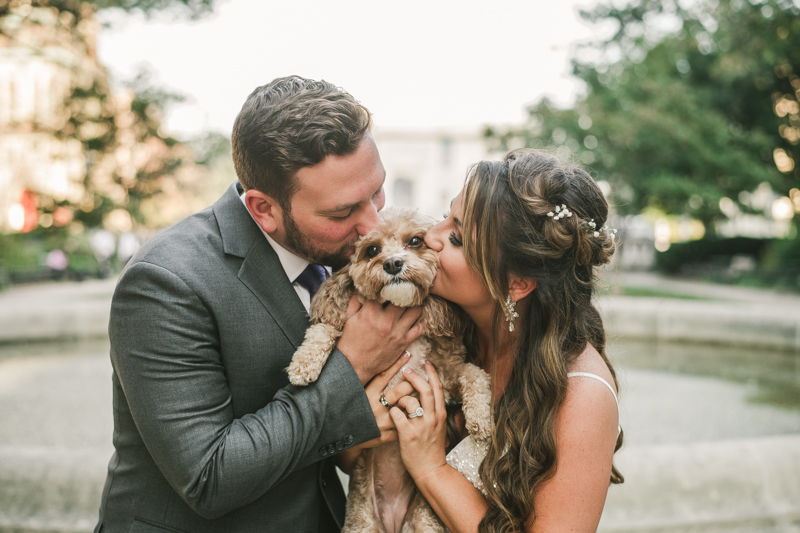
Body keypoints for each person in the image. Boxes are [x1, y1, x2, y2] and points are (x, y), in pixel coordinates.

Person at [94, 76, 421, 533]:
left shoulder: (343, 255)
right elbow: (208, 477)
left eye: (377, 192)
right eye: (343, 212)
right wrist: (352, 364)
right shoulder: (165, 281)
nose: (372, 225)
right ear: (263, 208)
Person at [387, 149, 624, 532]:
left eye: (457, 238)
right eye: (446, 214)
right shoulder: (437, 328)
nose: (430, 236)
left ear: (517, 284)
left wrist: (431, 467)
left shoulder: (582, 396)